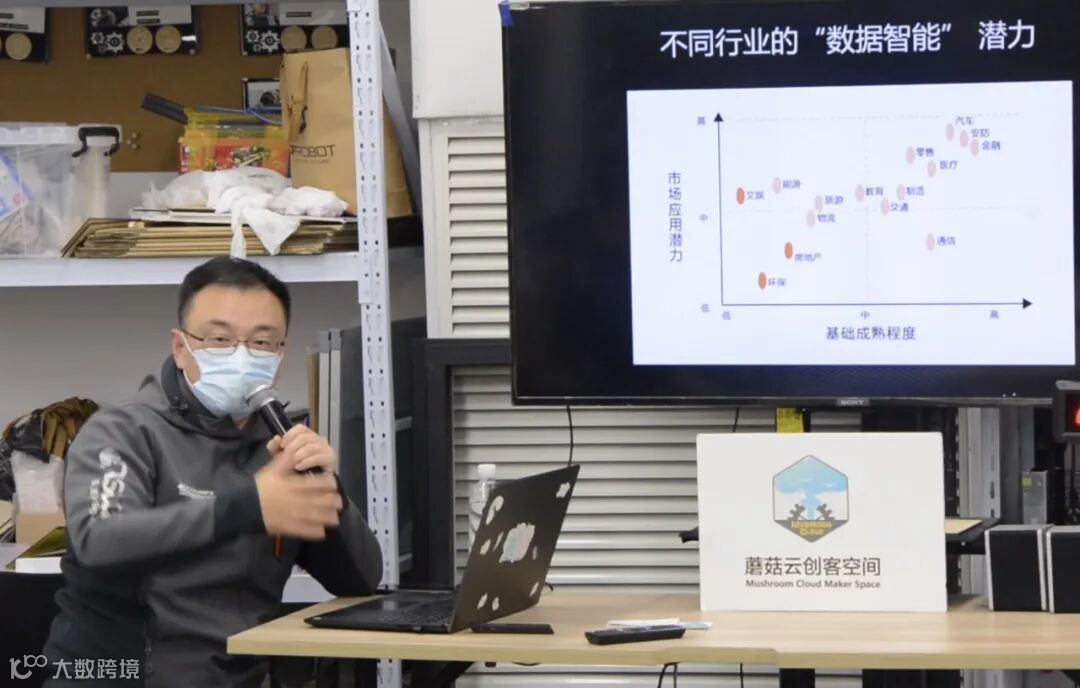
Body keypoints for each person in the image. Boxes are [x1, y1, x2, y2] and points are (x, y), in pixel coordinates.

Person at [41, 257, 383, 687]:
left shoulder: (279, 446)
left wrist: (325, 485)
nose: (241, 355)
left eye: (261, 342)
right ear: (180, 346)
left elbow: (359, 579)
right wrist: (250, 506)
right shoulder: (123, 432)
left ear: (281, 353)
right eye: (220, 339)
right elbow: (100, 540)